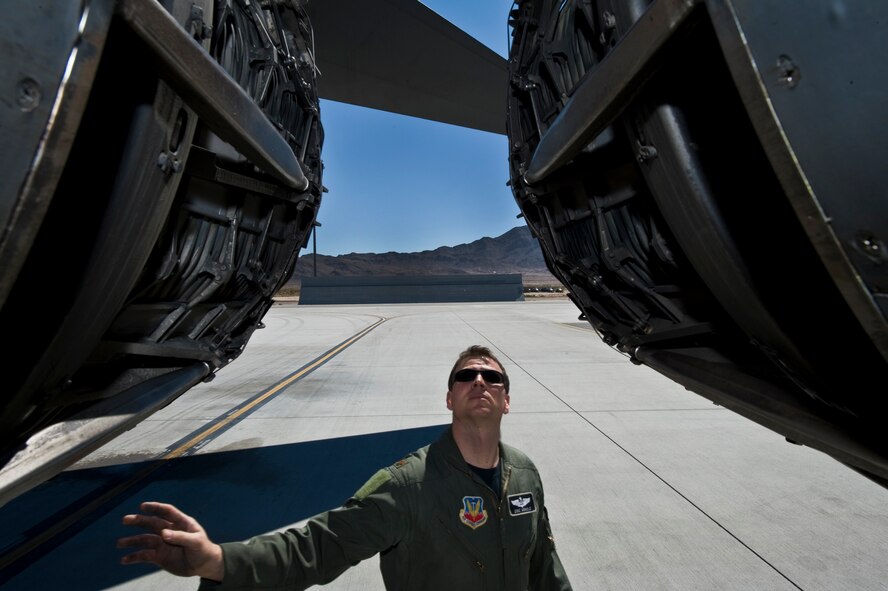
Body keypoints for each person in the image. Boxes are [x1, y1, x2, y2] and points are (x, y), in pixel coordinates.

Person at [118, 345, 573, 590]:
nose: (480, 381)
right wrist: (218, 561)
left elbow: (544, 571)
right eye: (466, 376)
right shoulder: (406, 485)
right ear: (449, 398)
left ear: (506, 401)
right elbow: (317, 548)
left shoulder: (526, 476)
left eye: (492, 377)